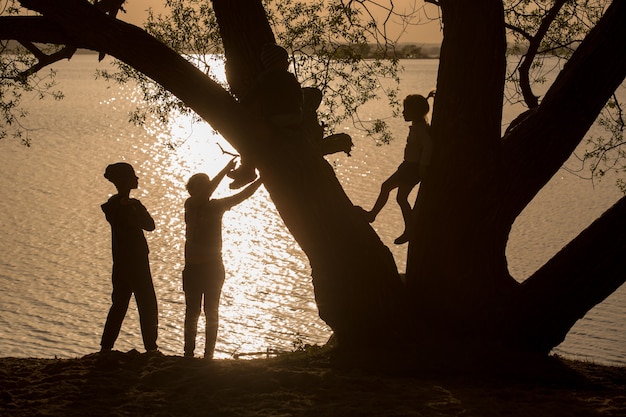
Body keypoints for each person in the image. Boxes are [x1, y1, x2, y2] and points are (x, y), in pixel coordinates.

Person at [183, 159, 262, 359]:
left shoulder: (217, 206)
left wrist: (262, 180)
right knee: (192, 312)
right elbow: (206, 191)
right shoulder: (190, 204)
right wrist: (225, 169)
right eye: (202, 187)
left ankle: (208, 354)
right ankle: (188, 353)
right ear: (192, 191)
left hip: (212, 268)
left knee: (211, 312)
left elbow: (243, 195)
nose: (207, 190)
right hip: (193, 269)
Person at [100, 162, 159, 353]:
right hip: (136, 262)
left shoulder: (113, 206)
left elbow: (149, 225)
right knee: (147, 304)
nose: (137, 179)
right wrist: (133, 209)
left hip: (120, 262)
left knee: (119, 304)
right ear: (125, 180)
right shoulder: (122, 207)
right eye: (133, 176)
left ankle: (106, 347)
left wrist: (133, 208)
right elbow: (149, 225)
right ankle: (151, 348)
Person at [228, 43, 304, 189]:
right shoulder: (289, 77)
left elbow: (249, 98)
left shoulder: (265, 78)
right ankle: (246, 170)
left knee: (250, 135)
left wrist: (239, 106)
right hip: (296, 116)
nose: (287, 63)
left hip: (279, 118)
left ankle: (247, 169)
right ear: (277, 61)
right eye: (285, 60)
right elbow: (300, 98)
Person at [362, 92, 434, 245]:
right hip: (407, 166)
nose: (403, 113)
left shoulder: (420, 128)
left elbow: (428, 146)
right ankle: (374, 215)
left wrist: (423, 165)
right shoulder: (417, 126)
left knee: (398, 196)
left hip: (412, 168)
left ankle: (406, 228)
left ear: (414, 112)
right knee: (392, 191)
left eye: (406, 110)